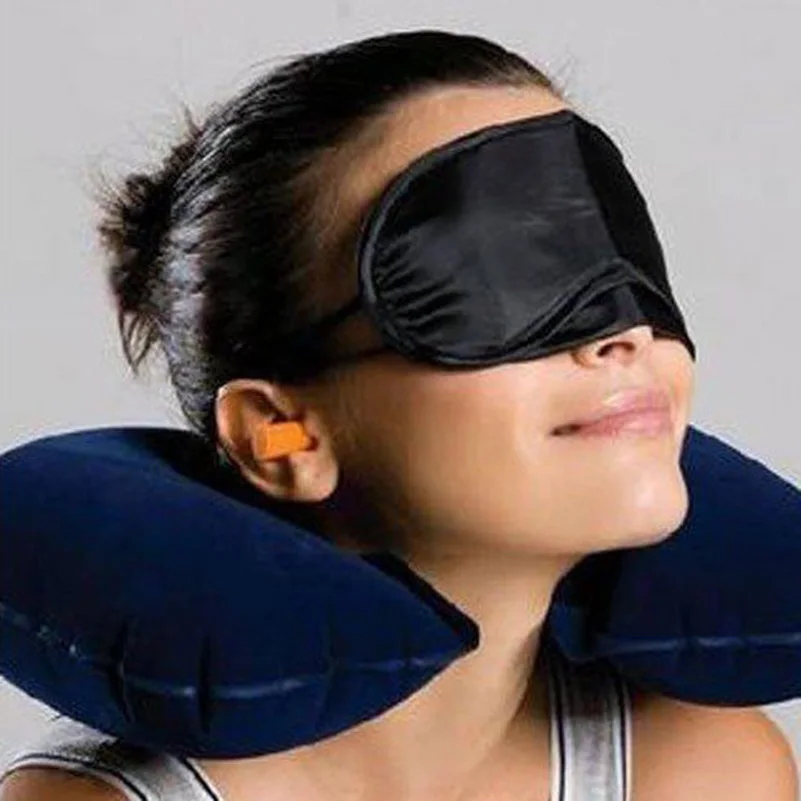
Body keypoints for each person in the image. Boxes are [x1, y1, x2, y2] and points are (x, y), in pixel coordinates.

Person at [1, 29, 796, 801]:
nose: (622, 335)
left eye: (621, 257)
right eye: (489, 279)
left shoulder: (709, 775)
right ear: (280, 434)